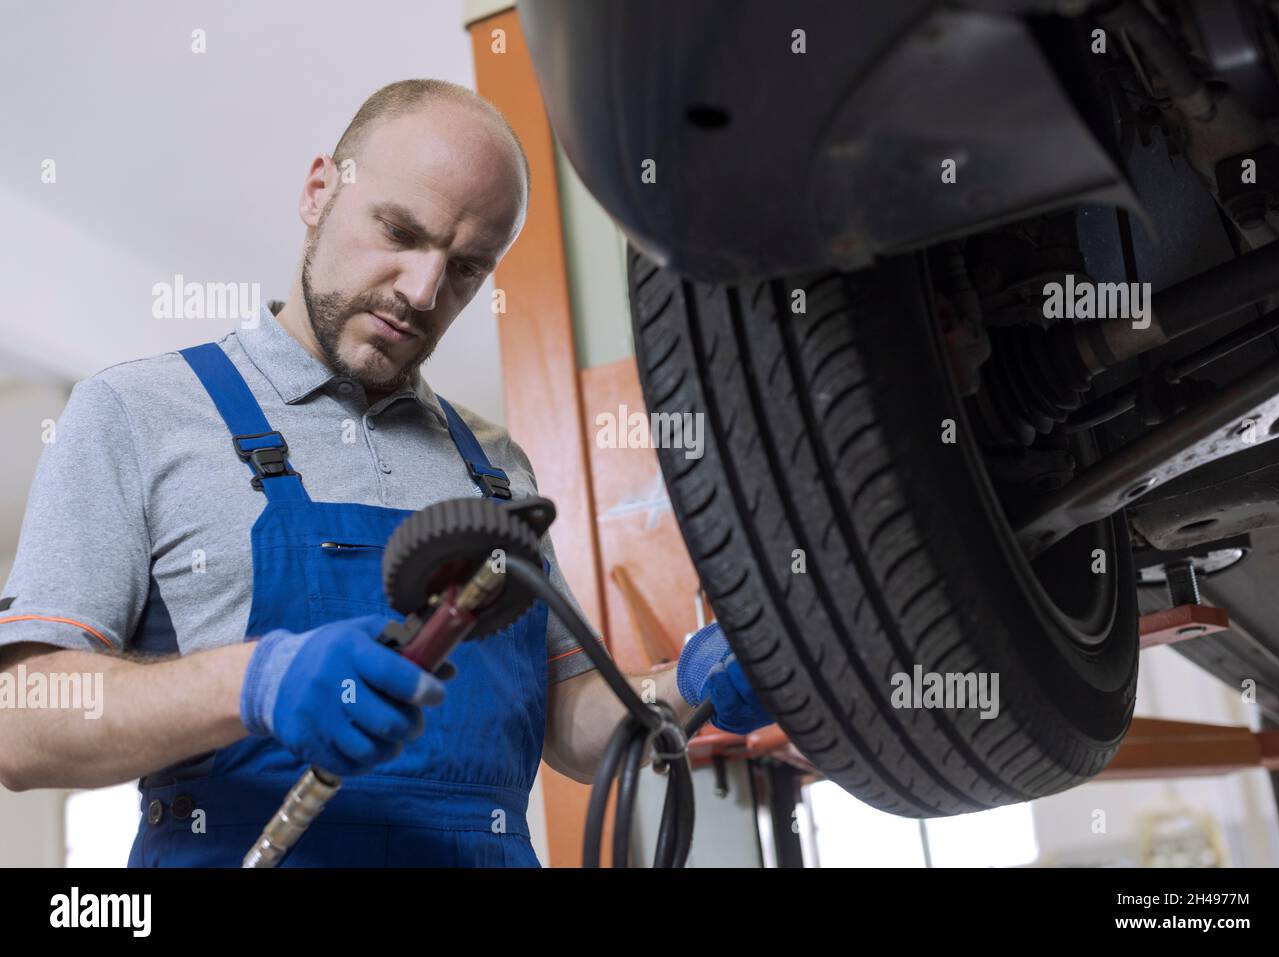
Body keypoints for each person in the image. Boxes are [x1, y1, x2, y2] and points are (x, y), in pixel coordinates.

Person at [0, 79, 770, 867]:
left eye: (466, 267)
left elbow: (572, 722)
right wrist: (256, 681)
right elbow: (20, 722)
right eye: (400, 231)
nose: (422, 291)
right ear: (318, 191)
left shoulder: (494, 465)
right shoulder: (137, 412)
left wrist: (696, 682)